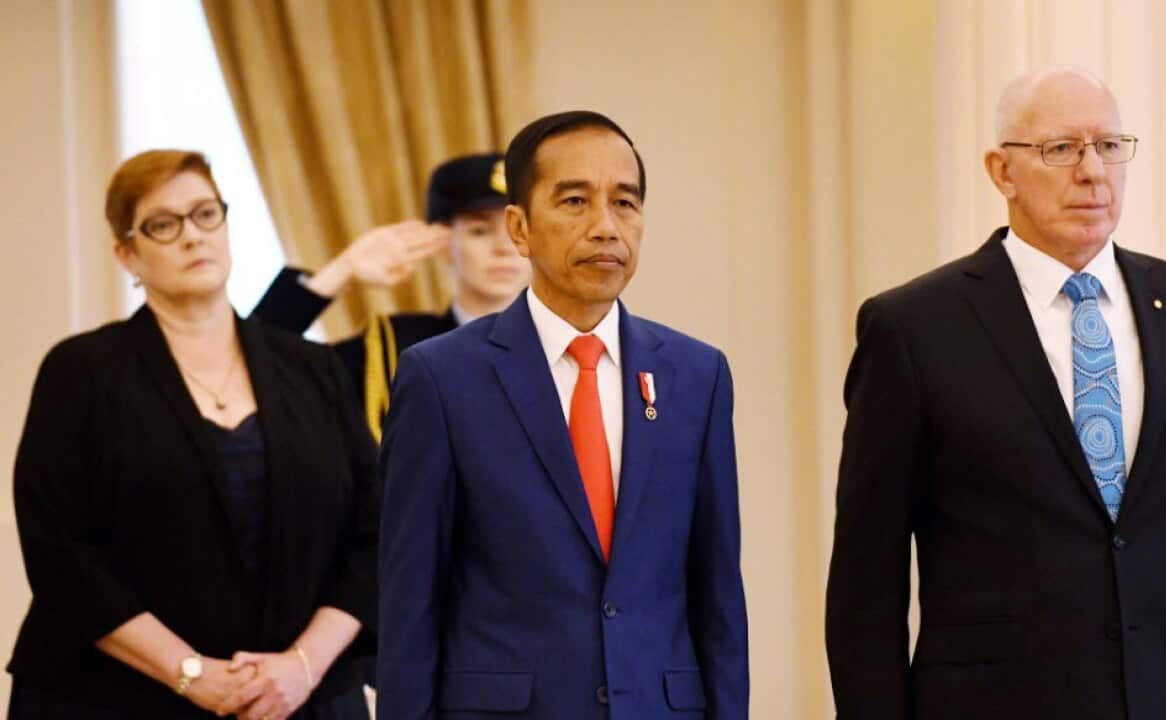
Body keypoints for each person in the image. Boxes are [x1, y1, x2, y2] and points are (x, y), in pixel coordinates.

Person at [824, 67, 1166, 720]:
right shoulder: (914, 329)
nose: (1092, 171)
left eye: (1110, 146)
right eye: (1061, 149)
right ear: (1002, 172)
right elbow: (866, 587)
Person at [377, 111, 750, 719]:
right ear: (519, 228)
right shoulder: (442, 378)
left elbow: (717, 593)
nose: (605, 227)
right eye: (575, 201)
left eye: (625, 203)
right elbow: (409, 603)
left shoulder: (697, 375)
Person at [7, 150, 380, 719]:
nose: (192, 236)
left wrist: (301, 667)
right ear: (127, 253)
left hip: (298, 698)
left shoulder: (314, 369)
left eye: (206, 214)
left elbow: (375, 537)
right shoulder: (81, 372)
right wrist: (190, 673)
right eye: (163, 224)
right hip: (113, 698)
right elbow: (59, 551)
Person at [252, 153, 531, 439]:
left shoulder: (570, 344)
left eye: (518, 229)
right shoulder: (392, 350)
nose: (504, 248)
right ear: (442, 242)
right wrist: (343, 269)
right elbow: (255, 366)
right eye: (480, 230)